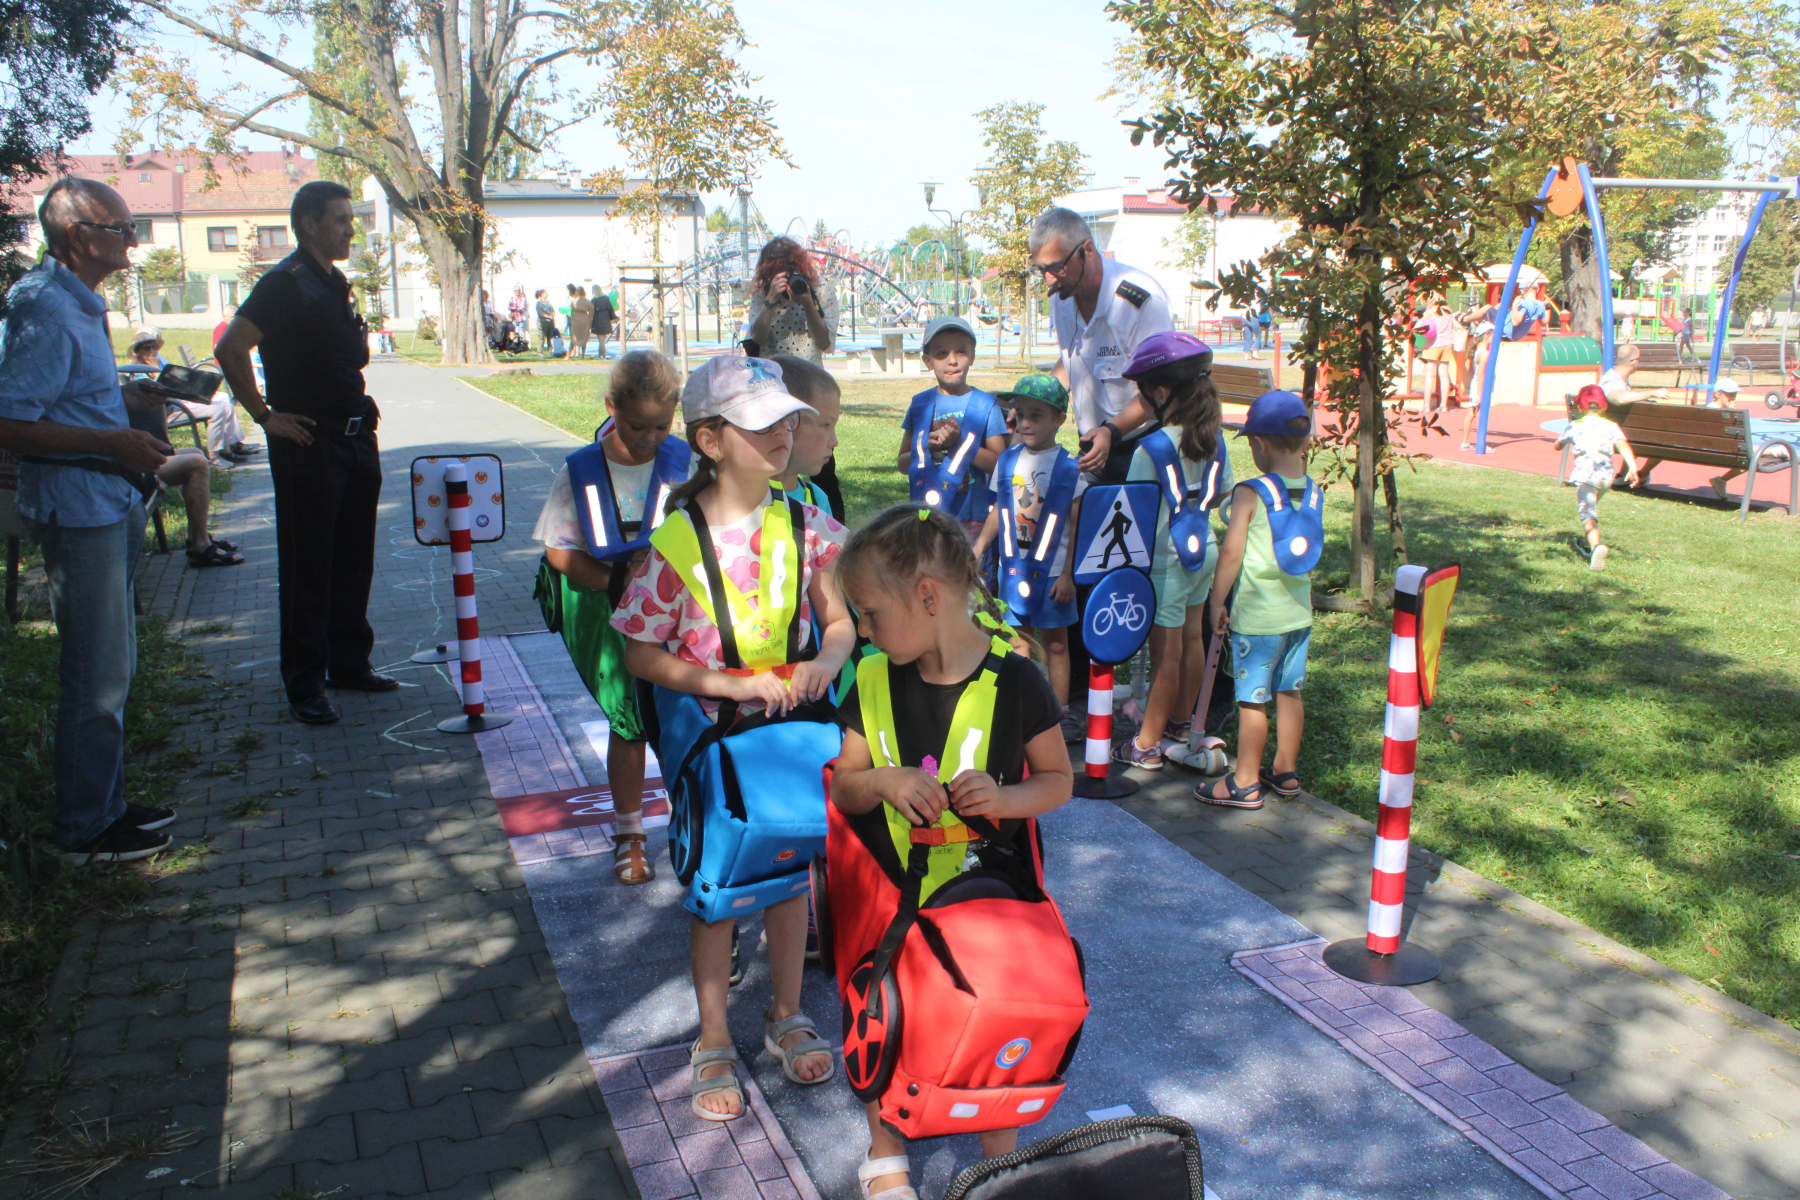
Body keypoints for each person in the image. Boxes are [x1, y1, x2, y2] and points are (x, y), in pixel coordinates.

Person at [612, 355, 852, 1121]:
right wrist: (727, 685)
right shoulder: (677, 544)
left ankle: (786, 1011)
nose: (783, 434)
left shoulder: (807, 523)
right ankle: (712, 1035)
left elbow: (840, 620)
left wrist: (827, 660)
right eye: (760, 424)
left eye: (785, 419)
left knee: (789, 868)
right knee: (718, 891)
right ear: (711, 441)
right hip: (718, 745)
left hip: (790, 737)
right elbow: (639, 652)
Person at [828, 505, 1075, 1200]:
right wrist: (883, 780)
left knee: (997, 1014)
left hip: (986, 903)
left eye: (871, 614)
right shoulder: (872, 678)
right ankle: (886, 1159)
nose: (864, 631)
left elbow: (1058, 781)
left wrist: (1004, 797)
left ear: (928, 597)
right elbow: (844, 787)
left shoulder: (1018, 681)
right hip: (892, 898)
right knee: (885, 1016)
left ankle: (999, 1160)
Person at [0, 176, 177, 862]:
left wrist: (128, 404)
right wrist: (111, 442)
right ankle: (82, 829)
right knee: (95, 676)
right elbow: (10, 421)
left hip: (107, 499)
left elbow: (65, 398)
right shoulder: (44, 307)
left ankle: (106, 804)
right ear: (78, 235)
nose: (132, 239)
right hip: (79, 509)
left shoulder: (79, 301)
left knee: (114, 667)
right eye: (121, 227)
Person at [215, 180, 396, 726]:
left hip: (355, 437)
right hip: (309, 444)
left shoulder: (332, 281)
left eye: (351, 219)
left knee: (353, 559)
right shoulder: (285, 283)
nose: (350, 229)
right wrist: (265, 416)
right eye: (341, 219)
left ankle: (349, 662)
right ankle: (305, 683)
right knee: (309, 564)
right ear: (309, 224)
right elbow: (230, 347)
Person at [533, 350, 688, 885]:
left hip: (673, 609)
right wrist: (617, 583)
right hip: (606, 607)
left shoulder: (685, 464)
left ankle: (690, 817)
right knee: (628, 719)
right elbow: (559, 551)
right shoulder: (580, 471)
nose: (649, 438)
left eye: (661, 426)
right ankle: (629, 833)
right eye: (636, 426)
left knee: (680, 713)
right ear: (611, 408)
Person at [1114, 333, 1231, 769]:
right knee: (1192, 638)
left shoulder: (1152, 447)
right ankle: (1182, 724)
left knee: (1166, 653)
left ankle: (1145, 745)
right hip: (1206, 550)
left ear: (1161, 394)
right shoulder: (1214, 439)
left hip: (1165, 559)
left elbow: (1136, 510)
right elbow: (1222, 495)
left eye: (1142, 395)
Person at [1199, 390, 1316, 810]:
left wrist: (1217, 601)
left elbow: (1231, 553)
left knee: (1252, 699)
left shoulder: (1251, 492)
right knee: (1289, 692)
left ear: (1260, 444)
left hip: (1259, 618)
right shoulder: (1312, 491)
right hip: (1298, 615)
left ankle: (1245, 780)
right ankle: (1284, 769)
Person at [972, 375, 1086, 721]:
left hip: (1053, 574)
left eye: (1036, 415)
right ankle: (1019, 710)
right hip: (1013, 569)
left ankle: (1060, 713)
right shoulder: (1007, 461)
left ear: (1059, 419)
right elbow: (999, 510)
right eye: (1020, 415)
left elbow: (1078, 526)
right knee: (1017, 639)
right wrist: (979, 547)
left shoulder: (1071, 467)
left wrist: (1068, 575)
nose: (1025, 423)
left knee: (1056, 644)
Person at [1034, 208, 1174, 481]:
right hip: (1093, 443)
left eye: (1057, 267)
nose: (1049, 280)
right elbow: (1073, 358)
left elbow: (1161, 387)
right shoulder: (1063, 295)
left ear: (1087, 249)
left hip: (1142, 447)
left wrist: (1112, 431)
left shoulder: (1141, 301)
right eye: (1042, 270)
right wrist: (1036, 402)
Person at [895, 316, 1008, 541]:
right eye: (942, 353)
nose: (952, 361)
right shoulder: (920, 405)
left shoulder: (986, 406)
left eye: (961, 352)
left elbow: (1000, 465)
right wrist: (925, 447)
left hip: (971, 518)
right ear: (928, 361)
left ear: (972, 356)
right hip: (926, 515)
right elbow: (902, 464)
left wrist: (959, 444)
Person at [126, 326, 259, 465]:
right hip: (166, 410)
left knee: (226, 406)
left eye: (154, 347)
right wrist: (156, 369)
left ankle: (226, 450)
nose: (152, 351)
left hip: (177, 402)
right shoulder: (138, 370)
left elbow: (175, 381)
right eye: (146, 348)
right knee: (217, 410)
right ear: (137, 352)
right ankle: (214, 456)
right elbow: (158, 393)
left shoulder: (158, 363)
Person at [1553, 384, 1638, 571]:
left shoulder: (1575, 425)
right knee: (1591, 506)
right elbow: (1623, 445)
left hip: (1586, 477)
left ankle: (1595, 547)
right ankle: (1585, 541)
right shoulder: (1611, 426)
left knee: (1588, 514)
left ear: (1579, 406)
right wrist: (1632, 466)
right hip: (1606, 478)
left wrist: (1559, 444)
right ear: (1604, 406)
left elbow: (1558, 445)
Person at [745, 237, 837, 363]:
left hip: (807, 372)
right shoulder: (763, 292)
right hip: (772, 371)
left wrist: (808, 303)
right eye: (778, 272)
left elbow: (824, 343)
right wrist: (769, 302)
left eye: (792, 269)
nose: (787, 276)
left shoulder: (821, 289)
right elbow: (757, 339)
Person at [770, 354, 840, 512]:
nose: (834, 442)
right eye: (825, 425)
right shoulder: (743, 501)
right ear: (786, 422)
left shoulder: (817, 500)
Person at [1415, 299, 1456, 413]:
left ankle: (1426, 406)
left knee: (1429, 375)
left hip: (1433, 344)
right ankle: (1444, 406)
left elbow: (1417, 328)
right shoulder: (1448, 309)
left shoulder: (1430, 312)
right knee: (1444, 375)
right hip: (1448, 343)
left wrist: (1423, 318)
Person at [593, 285, 616, 359]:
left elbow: (592, 311)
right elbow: (610, 309)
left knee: (601, 340)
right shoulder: (606, 298)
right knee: (603, 340)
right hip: (605, 319)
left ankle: (601, 355)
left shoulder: (594, 300)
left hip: (597, 319)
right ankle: (603, 355)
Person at [570, 284, 593, 359]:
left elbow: (572, 312)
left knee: (574, 336)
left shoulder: (574, 300)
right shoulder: (587, 301)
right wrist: (590, 318)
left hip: (576, 318)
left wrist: (571, 320)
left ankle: (569, 354)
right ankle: (583, 355)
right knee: (584, 336)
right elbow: (591, 310)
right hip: (584, 318)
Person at [535, 288, 557, 354]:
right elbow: (540, 312)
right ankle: (540, 352)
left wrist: (552, 314)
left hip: (550, 322)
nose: (547, 295)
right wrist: (548, 316)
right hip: (542, 322)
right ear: (542, 294)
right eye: (546, 293)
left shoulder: (548, 303)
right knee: (542, 337)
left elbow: (553, 310)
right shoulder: (539, 303)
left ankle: (550, 351)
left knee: (550, 337)